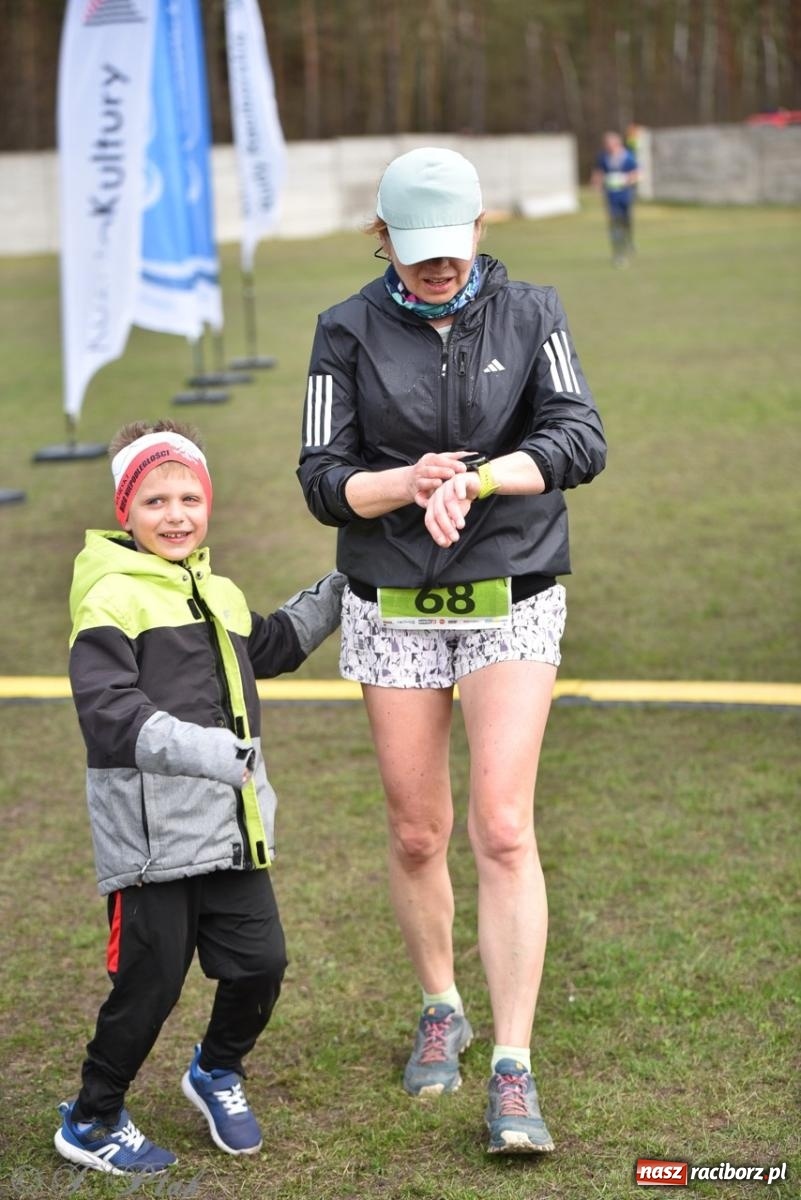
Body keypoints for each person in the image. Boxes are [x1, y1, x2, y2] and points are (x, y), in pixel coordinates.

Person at [297, 146, 606, 1154]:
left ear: (480, 228)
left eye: (453, 244)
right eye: (415, 248)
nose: (438, 265)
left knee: (503, 828)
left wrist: (477, 480)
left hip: (512, 591)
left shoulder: (533, 313)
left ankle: (513, 1065)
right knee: (417, 830)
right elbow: (321, 476)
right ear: (382, 237)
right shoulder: (343, 329)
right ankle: (442, 1003)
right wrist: (407, 483)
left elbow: (580, 437)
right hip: (390, 601)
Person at [55, 419, 345, 1175]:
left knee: (261, 965)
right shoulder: (111, 595)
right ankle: (92, 1118)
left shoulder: (215, 589)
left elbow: (271, 644)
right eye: (155, 501)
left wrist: (347, 581)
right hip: (154, 845)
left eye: (189, 498)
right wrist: (211, 752)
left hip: (228, 829)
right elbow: (108, 711)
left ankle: (216, 1069)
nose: (176, 515)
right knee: (148, 989)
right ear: (125, 510)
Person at [591, 130, 639, 266]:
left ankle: (629, 241)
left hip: (625, 195)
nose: (608, 147)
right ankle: (618, 254)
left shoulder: (627, 157)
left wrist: (625, 180)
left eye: (610, 144)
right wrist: (597, 184)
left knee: (626, 222)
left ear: (617, 143)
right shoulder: (603, 157)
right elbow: (598, 173)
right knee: (615, 225)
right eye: (606, 144)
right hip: (611, 197)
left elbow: (637, 173)